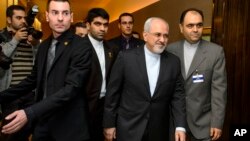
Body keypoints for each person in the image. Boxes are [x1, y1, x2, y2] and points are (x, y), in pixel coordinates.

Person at [0, 0, 91, 141]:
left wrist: (29, 113)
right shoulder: (43, 46)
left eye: (65, 13)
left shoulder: (82, 45)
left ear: (71, 17)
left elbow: (71, 89)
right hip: (43, 125)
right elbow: (32, 80)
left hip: (68, 126)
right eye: (55, 12)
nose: (60, 18)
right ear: (47, 16)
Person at [103, 17, 186, 141]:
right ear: (145, 35)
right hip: (129, 128)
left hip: (159, 129)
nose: (162, 40)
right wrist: (109, 124)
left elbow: (178, 96)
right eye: (158, 34)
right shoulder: (126, 58)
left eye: (166, 36)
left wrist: (180, 126)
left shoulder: (173, 62)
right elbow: (113, 93)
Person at [167, 8, 227, 141]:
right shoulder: (170, 50)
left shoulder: (216, 52)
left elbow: (219, 91)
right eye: (190, 25)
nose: (195, 29)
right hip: (174, 122)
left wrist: (217, 122)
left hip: (203, 123)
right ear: (181, 28)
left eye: (199, 25)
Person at [0, 5, 37, 141]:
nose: (23, 21)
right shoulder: (2, 36)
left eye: (24, 18)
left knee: (27, 131)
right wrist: (15, 39)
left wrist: (35, 44)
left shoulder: (29, 37)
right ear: (9, 19)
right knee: (9, 133)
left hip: (30, 93)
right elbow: (3, 58)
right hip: (11, 94)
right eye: (18, 17)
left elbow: (40, 62)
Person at [84, 8, 118, 141]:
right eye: (98, 24)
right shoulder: (78, 47)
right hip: (83, 107)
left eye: (105, 24)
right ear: (88, 25)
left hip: (105, 106)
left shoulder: (113, 49)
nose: (102, 28)